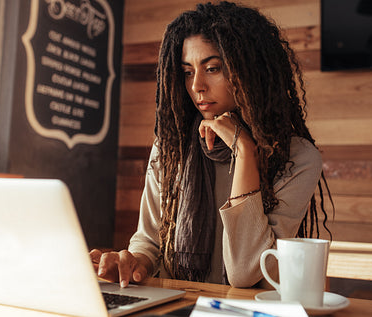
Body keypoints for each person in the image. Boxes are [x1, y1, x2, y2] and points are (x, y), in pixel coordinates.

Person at [90, 1, 331, 288]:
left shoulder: (297, 157)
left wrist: (244, 152)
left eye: (213, 68)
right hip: (175, 307)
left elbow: (246, 271)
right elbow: (149, 241)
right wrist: (132, 265)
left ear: (250, 70)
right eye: (188, 71)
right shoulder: (171, 147)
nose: (197, 86)